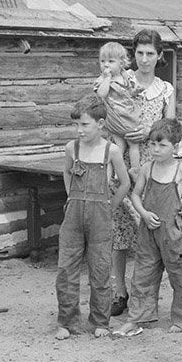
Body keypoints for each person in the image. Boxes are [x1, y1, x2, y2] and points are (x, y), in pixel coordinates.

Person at [113, 119, 182, 337]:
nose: (156, 149)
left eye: (162, 145)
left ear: (174, 147)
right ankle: (138, 318)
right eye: (153, 145)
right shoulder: (147, 168)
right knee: (142, 275)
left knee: (179, 276)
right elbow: (136, 195)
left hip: (172, 233)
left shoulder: (181, 170)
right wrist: (144, 214)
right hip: (149, 231)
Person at [109, 30, 176, 318]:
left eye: (151, 53)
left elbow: (172, 127)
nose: (145, 58)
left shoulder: (166, 89)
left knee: (150, 227)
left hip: (153, 162)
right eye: (140, 53)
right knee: (119, 227)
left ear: (160, 56)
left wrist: (150, 131)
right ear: (132, 54)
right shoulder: (123, 81)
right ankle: (118, 291)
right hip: (121, 158)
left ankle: (145, 293)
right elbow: (107, 111)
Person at [55, 96, 130, 340]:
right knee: (66, 270)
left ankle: (99, 320)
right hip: (73, 216)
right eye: (76, 124)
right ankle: (67, 322)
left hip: (101, 217)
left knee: (100, 269)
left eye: (85, 125)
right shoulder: (71, 148)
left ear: (100, 123)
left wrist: (110, 206)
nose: (79, 130)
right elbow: (67, 172)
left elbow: (125, 182)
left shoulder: (112, 151)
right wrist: (71, 197)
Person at [94, 41, 142, 174]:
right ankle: (117, 171)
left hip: (129, 115)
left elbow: (130, 93)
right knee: (118, 145)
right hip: (115, 118)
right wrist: (107, 79)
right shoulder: (102, 80)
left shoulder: (126, 76)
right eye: (102, 61)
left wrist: (137, 90)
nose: (106, 64)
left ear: (121, 63)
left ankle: (134, 169)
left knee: (132, 144)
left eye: (111, 61)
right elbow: (101, 94)